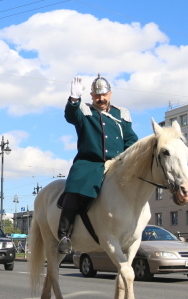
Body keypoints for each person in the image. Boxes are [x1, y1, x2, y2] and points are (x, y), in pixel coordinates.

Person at [57, 74, 138, 254]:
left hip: (117, 164)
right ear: (92, 96)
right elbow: (70, 116)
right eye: (97, 95)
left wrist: (127, 159)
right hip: (89, 163)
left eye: (104, 95)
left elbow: (131, 139)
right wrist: (74, 99)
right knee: (75, 190)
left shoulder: (121, 114)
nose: (101, 99)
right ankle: (64, 236)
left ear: (110, 94)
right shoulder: (84, 111)